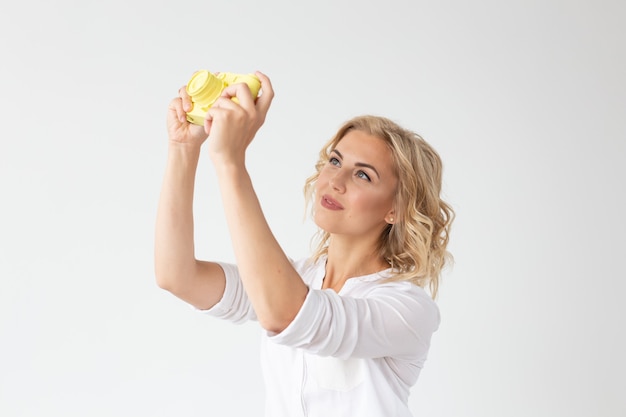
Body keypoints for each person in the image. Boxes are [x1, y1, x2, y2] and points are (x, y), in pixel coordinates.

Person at [155, 71, 454, 417]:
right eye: (335, 161)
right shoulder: (294, 280)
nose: (335, 181)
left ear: (396, 209)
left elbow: (288, 316)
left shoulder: (406, 309)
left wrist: (230, 163)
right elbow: (177, 276)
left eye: (362, 174)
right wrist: (183, 149)